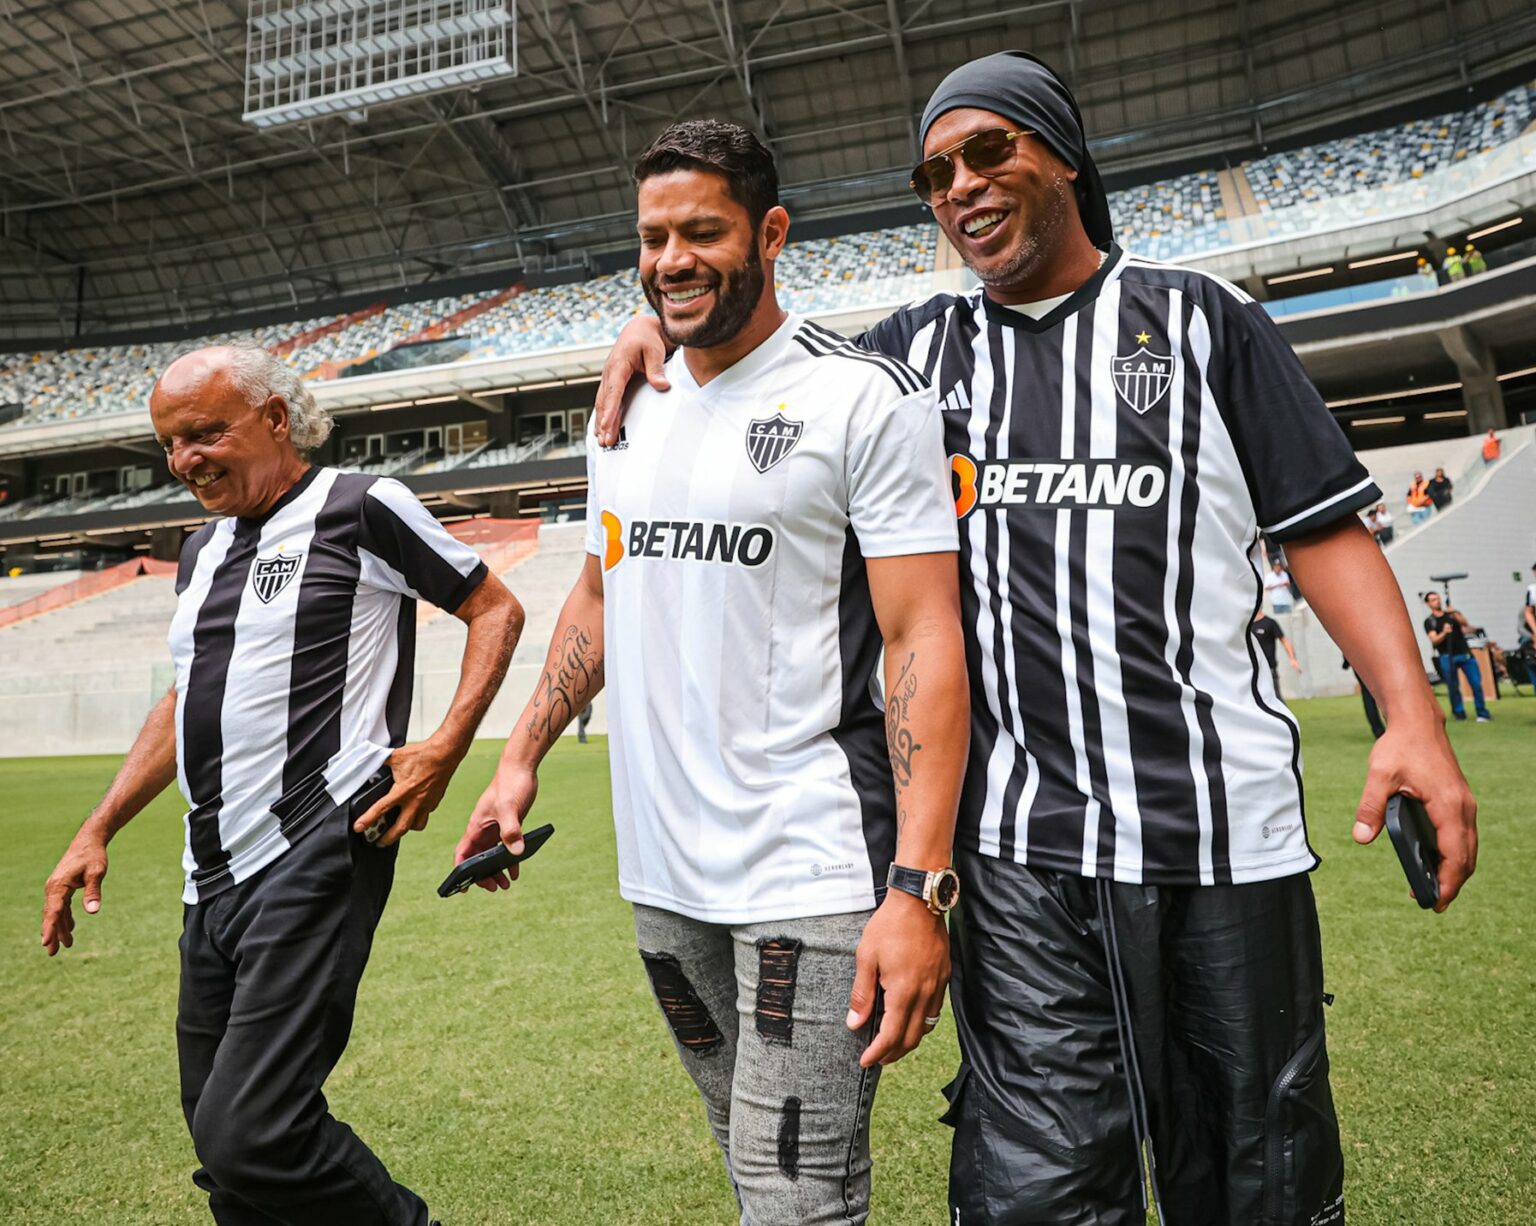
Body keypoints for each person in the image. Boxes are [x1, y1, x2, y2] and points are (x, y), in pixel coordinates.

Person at [595, 51, 1478, 1226]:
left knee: (1257, 1179)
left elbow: (1323, 536)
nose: (959, 183)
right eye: (935, 171)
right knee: (1037, 1197)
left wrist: (1412, 721)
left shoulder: (1203, 322)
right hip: (1016, 859)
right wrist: (652, 341)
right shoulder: (913, 357)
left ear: (1062, 152)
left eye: (988, 150)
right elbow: (767, 361)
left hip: (1219, 835)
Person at [458, 120, 969, 1225]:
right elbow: (600, 595)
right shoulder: (626, 409)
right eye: (652, 237)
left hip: (814, 870)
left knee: (798, 1197)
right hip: (663, 879)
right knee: (751, 1164)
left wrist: (919, 884)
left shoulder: (863, 398)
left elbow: (923, 635)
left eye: (702, 230)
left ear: (771, 232)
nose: (672, 258)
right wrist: (519, 761)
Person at [40, 343, 524, 1226]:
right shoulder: (197, 553)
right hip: (209, 873)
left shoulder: (361, 506)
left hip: (320, 841)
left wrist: (445, 746)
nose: (186, 460)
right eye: (170, 446)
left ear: (273, 417)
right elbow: (185, 697)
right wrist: (98, 823)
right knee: (221, 1141)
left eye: (204, 433)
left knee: (251, 1132)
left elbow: (494, 606)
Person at [1423, 591, 1492, 722]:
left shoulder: (1451, 615)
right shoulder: (1429, 622)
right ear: (1428, 603)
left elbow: (1465, 623)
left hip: (1464, 654)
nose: (1436, 601)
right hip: (1446, 656)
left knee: (1476, 684)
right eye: (1433, 600)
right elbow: (1434, 640)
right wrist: (1444, 632)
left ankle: (1482, 713)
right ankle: (1459, 713)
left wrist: (1455, 612)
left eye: (1437, 599)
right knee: (1453, 687)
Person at [1252, 608, 1302, 698]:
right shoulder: (1247, 625)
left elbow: (1284, 640)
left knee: (1276, 699)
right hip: (1253, 669)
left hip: (1269, 668)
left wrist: (1292, 659)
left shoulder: (1270, 623)